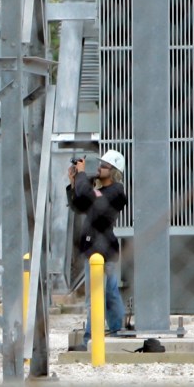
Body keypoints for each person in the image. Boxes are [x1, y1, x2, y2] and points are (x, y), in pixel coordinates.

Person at [66, 149, 128, 350]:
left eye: (104, 166)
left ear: (114, 171)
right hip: (95, 248)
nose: (99, 167)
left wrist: (83, 174)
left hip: (101, 250)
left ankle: (89, 339)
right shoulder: (99, 192)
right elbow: (79, 204)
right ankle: (117, 331)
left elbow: (90, 197)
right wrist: (75, 182)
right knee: (109, 292)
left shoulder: (116, 192)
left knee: (96, 295)